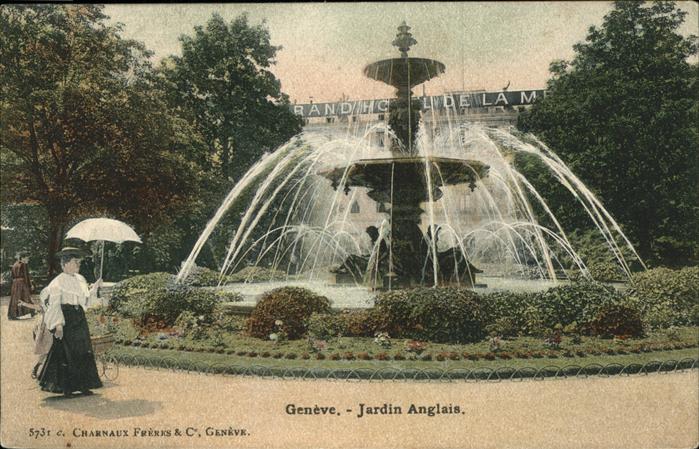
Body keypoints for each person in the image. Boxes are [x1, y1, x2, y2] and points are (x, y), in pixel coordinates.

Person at [37, 247, 103, 398]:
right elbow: (54, 305)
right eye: (75, 262)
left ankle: (84, 385)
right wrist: (58, 324)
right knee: (66, 352)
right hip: (65, 317)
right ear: (65, 264)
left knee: (83, 349)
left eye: (78, 262)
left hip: (79, 316)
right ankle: (67, 388)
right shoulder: (57, 282)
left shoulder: (80, 279)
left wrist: (95, 288)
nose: (78, 265)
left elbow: (85, 301)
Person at [8, 251, 35, 320]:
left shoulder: (14, 265)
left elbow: (12, 276)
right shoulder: (23, 265)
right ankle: (28, 312)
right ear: (23, 258)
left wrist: (14, 284)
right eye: (27, 258)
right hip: (22, 283)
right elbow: (26, 276)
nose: (27, 260)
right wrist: (30, 285)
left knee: (15, 298)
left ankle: (13, 314)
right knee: (25, 297)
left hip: (15, 284)